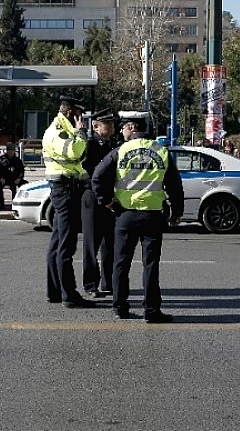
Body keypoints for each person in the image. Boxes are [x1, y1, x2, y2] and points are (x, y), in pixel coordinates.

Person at [92, 113, 184, 322]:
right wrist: (177, 212)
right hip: (152, 216)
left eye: (124, 126)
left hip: (125, 214)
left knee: (121, 264)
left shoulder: (120, 151)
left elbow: (97, 176)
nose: (122, 130)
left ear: (133, 127)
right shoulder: (161, 151)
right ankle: (151, 311)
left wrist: (105, 200)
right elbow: (174, 185)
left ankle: (119, 308)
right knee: (150, 264)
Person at [43, 95, 95, 308]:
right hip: (64, 189)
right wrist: (82, 132)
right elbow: (75, 150)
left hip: (68, 188)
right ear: (70, 112)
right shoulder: (58, 131)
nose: (81, 118)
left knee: (58, 241)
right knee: (66, 243)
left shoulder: (65, 129)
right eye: (79, 113)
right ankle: (68, 294)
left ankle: (55, 291)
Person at [81, 108, 117, 299]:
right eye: (107, 123)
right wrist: (103, 198)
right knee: (91, 244)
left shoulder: (112, 145)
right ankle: (90, 284)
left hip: (110, 199)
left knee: (109, 244)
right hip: (94, 198)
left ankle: (107, 282)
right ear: (95, 126)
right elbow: (90, 175)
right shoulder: (90, 145)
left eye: (111, 123)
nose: (111, 126)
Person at [0, 142, 25, 210]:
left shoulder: (17, 160)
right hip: (4, 179)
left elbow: (21, 171)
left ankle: (16, 203)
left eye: (12, 150)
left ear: (14, 151)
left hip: (15, 179)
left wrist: (19, 178)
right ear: (6, 151)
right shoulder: (1, 159)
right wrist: (0, 177)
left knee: (25, 185)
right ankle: (2, 203)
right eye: (9, 150)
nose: (10, 152)